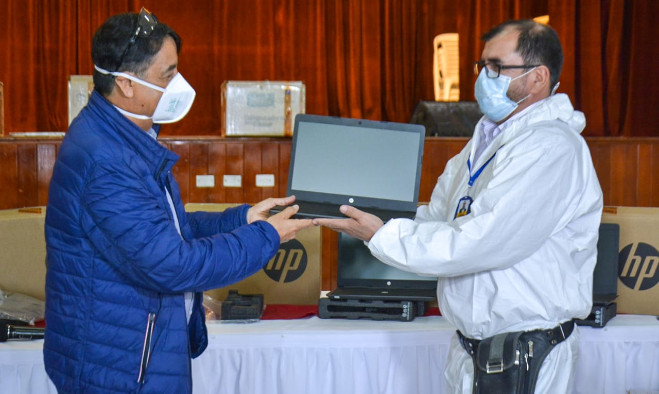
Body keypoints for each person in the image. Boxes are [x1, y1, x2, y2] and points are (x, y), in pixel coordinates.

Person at [315, 19, 602, 393]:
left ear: (538, 77)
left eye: (497, 67)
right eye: (482, 66)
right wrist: (369, 216)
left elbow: (482, 240)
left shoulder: (550, 147)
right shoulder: (483, 143)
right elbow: (437, 220)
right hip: (472, 347)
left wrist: (383, 235)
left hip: (526, 353)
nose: (484, 77)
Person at [43, 8, 312, 393]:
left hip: (133, 351)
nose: (178, 84)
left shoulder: (125, 137)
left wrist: (244, 219)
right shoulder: (105, 158)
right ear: (126, 84)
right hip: (118, 368)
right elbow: (172, 264)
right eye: (167, 74)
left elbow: (164, 227)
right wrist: (265, 237)